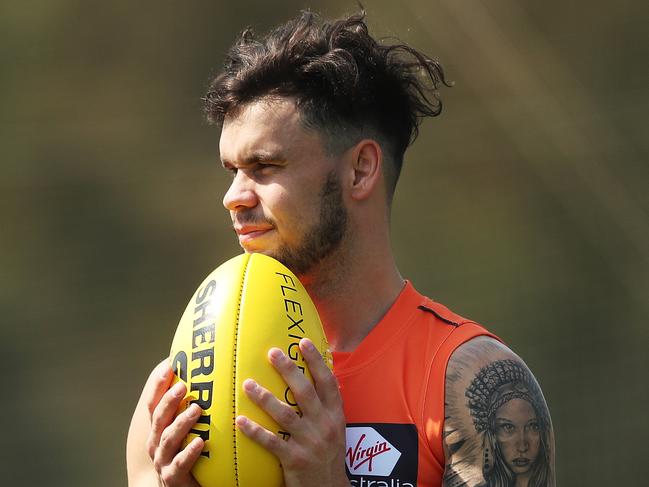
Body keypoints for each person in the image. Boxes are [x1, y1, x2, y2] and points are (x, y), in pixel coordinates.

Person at [126, 10, 555, 487]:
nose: (234, 197)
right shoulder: (180, 398)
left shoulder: (474, 385)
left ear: (360, 171)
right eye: (233, 171)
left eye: (265, 166)